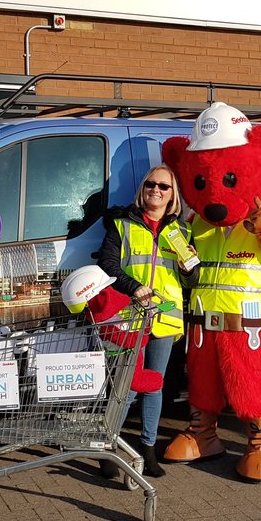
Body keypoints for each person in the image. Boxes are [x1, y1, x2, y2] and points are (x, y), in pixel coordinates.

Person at [96, 164, 193, 478]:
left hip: (165, 317)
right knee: (125, 386)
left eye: (164, 186)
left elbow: (192, 279)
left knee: (154, 385)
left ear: (172, 194)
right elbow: (109, 264)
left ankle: (148, 449)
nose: (156, 189)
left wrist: (190, 266)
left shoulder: (182, 231)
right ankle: (109, 447)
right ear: (143, 189)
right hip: (131, 317)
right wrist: (133, 287)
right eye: (151, 184)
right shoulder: (123, 225)